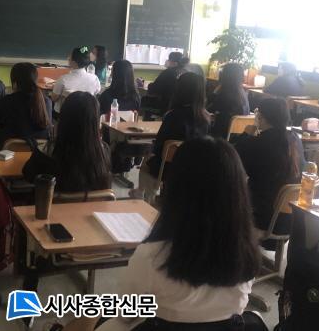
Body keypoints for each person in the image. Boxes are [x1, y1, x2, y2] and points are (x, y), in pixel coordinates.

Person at [93, 138, 261, 330]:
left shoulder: (153, 256)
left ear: (176, 187)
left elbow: (125, 313)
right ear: (238, 193)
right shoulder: (247, 252)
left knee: (95, 318)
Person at [140, 72, 211, 202]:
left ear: (180, 90)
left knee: (146, 159)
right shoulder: (206, 118)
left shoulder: (172, 115)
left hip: (168, 167)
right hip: (194, 167)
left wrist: (150, 149)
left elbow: (159, 145)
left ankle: (143, 195)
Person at [235, 97, 303, 232]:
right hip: (291, 220)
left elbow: (233, 166)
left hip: (260, 218)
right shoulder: (295, 140)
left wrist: (245, 136)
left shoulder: (257, 143)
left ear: (261, 117)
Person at [22, 91, 111, 193]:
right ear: (95, 122)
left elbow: (28, 175)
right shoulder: (104, 151)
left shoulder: (46, 152)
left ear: (63, 119)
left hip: (52, 203)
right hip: (93, 203)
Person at [0, 63, 51, 148]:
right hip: (38, 152)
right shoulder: (46, 102)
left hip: (8, 153)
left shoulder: (8, 100)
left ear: (15, 83)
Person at [51, 47, 101, 114]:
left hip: (65, 116)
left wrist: (54, 88)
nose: (68, 58)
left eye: (70, 57)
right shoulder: (94, 78)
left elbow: (54, 98)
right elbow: (96, 92)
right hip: (86, 115)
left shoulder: (63, 79)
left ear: (74, 62)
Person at [207, 62, 250, 138]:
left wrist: (215, 92)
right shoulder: (242, 93)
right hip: (237, 136)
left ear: (225, 76)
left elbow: (208, 109)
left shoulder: (226, 94)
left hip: (221, 136)